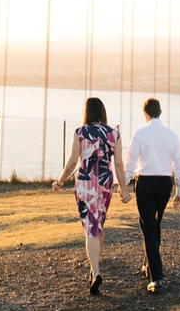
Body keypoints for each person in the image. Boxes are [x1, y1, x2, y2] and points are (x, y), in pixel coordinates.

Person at [52, 96, 130, 294]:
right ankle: (95, 265)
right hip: (105, 183)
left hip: (85, 183)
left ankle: (95, 273)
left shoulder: (80, 133)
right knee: (98, 223)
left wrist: (60, 181)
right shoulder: (114, 134)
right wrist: (123, 188)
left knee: (90, 226)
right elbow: (118, 164)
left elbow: (72, 161)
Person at [124, 97, 180, 293]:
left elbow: (130, 163)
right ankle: (148, 264)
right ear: (160, 113)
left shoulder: (140, 134)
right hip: (165, 183)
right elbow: (178, 166)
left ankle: (156, 277)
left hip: (146, 183)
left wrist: (123, 185)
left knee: (149, 226)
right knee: (155, 224)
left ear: (145, 114)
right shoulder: (172, 136)